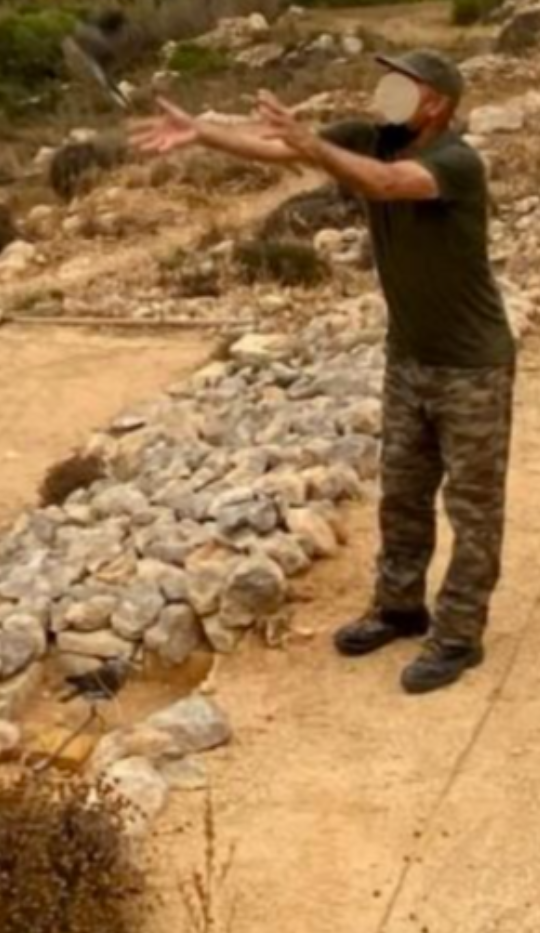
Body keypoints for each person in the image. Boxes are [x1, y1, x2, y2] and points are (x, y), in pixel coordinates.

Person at [131, 50, 517, 693]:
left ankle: (458, 635)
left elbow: (386, 184)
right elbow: (278, 149)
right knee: (401, 492)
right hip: (409, 357)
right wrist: (203, 131)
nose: (389, 90)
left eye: (407, 83)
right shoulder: (368, 139)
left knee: (473, 509)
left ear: (437, 104)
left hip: (471, 366)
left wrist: (315, 145)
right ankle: (399, 607)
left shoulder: (456, 162)